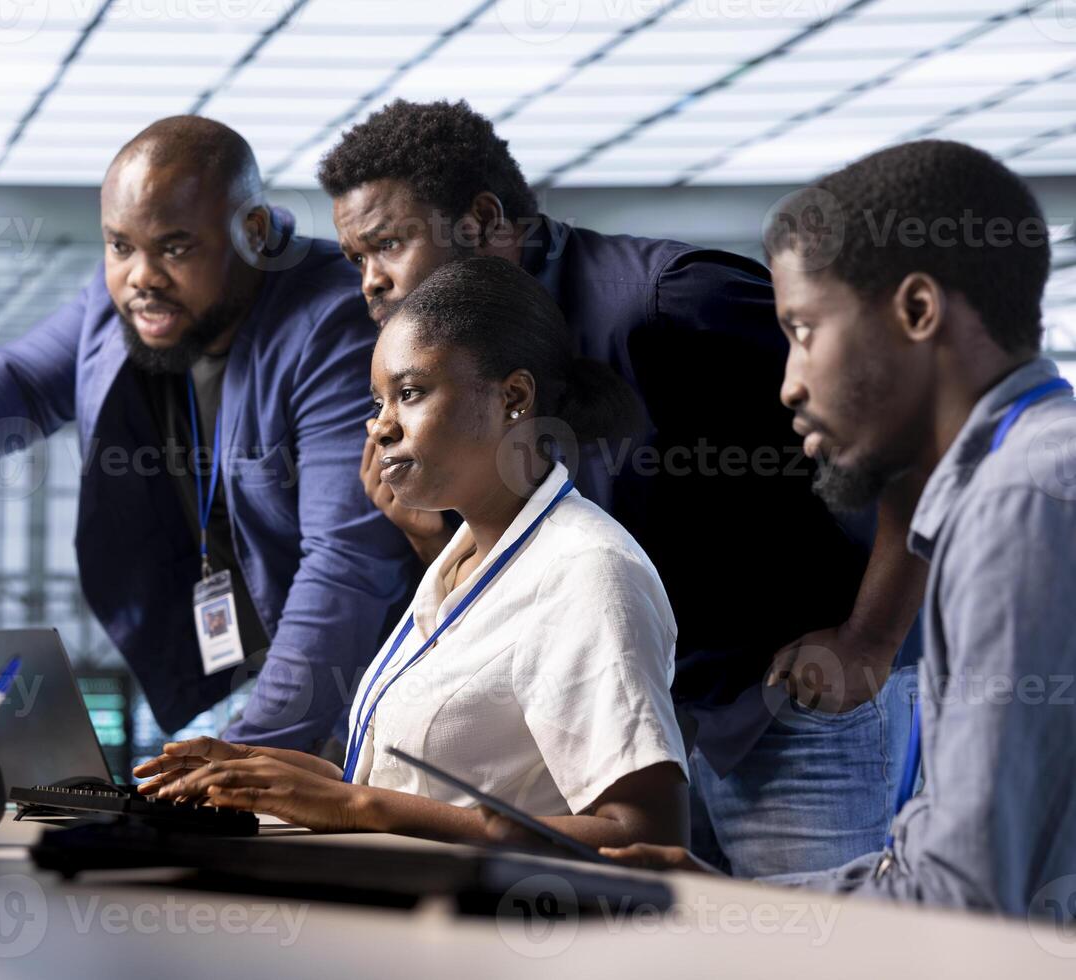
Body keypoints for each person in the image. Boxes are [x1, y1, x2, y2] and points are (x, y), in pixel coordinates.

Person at [315, 98, 927, 877]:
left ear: (480, 220)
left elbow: (910, 424)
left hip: (790, 707)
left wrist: (869, 639)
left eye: (388, 245)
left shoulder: (671, 302)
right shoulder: (466, 376)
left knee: (816, 956)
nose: (370, 282)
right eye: (354, 260)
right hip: (639, 726)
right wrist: (431, 537)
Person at [604, 140, 1076, 920]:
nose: (789, 382)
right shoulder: (1018, 474)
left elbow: (962, 893)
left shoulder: (1016, 501)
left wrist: (713, 909)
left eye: (804, 329)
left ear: (918, 312)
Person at [0, 117, 415, 751]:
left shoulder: (337, 326)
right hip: (273, 661)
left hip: (380, 694)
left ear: (251, 232)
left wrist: (239, 756)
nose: (141, 275)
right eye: (119, 245)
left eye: (175, 247)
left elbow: (347, 564)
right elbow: (26, 379)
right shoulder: (135, 303)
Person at [132, 257, 689, 848]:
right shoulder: (459, 562)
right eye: (378, 403)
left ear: (514, 398)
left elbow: (646, 835)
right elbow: (422, 794)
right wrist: (260, 771)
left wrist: (358, 806)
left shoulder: (588, 570)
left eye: (410, 393)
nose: (381, 427)